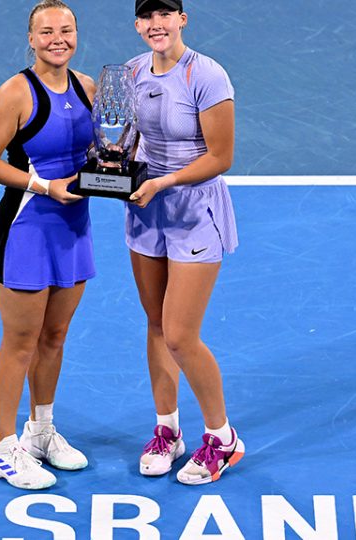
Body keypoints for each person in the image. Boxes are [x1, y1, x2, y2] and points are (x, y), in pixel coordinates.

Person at [0, 0, 96, 490]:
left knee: (54, 337)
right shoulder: (15, 92)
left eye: (66, 30)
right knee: (20, 343)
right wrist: (44, 186)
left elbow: (102, 151)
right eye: (47, 32)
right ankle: (2, 449)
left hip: (74, 228)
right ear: (31, 39)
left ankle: (40, 432)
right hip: (26, 228)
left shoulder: (89, 88)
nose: (57, 39)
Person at [124, 0, 245, 485]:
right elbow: (125, 139)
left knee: (179, 334)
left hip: (194, 211)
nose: (157, 25)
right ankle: (167, 430)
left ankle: (222, 437)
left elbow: (221, 156)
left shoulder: (207, 75)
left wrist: (162, 181)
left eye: (165, 15)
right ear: (138, 25)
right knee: (155, 324)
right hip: (145, 210)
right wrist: (116, 169)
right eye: (147, 17)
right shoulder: (130, 72)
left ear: (182, 20)